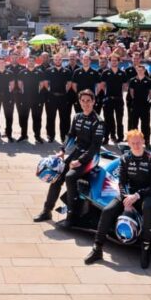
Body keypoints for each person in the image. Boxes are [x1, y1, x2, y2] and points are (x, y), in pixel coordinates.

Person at [84, 129, 151, 268]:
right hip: (128, 194)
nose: (136, 145)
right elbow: (122, 182)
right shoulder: (125, 158)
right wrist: (126, 198)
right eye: (133, 143)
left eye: (138, 142)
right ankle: (97, 248)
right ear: (129, 144)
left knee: (149, 209)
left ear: (143, 141)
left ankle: (145, 249)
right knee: (107, 210)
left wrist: (137, 195)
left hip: (146, 195)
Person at [33, 90, 106, 225]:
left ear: (93, 102)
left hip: (91, 156)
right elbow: (71, 136)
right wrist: (62, 151)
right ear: (79, 102)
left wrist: (80, 161)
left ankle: (72, 216)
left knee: (70, 177)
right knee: (57, 176)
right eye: (83, 101)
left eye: (88, 101)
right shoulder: (77, 117)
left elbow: (95, 147)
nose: (85, 104)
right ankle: (46, 210)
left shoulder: (98, 122)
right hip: (77, 152)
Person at [43, 54, 72, 144]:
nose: (58, 61)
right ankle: (50, 136)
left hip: (63, 97)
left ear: (62, 61)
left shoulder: (67, 71)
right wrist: (50, 92)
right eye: (56, 59)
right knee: (51, 117)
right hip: (51, 97)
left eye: (59, 59)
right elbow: (46, 83)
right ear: (53, 60)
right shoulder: (48, 70)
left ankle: (64, 136)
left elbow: (69, 84)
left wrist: (64, 93)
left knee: (64, 118)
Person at [15, 57, 43, 143]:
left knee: (37, 118)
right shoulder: (22, 72)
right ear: (27, 62)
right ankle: (23, 135)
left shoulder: (39, 72)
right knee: (24, 118)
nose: (31, 62)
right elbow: (20, 85)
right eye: (29, 61)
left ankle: (37, 136)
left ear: (35, 62)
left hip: (36, 99)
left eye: (32, 61)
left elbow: (41, 85)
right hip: (25, 99)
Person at [99, 54, 127, 142]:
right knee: (108, 120)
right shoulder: (105, 73)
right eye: (112, 60)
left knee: (119, 120)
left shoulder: (122, 73)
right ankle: (107, 137)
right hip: (108, 99)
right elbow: (102, 86)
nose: (114, 62)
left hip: (118, 99)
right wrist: (107, 94)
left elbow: (125, 86)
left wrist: (119, 92)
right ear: (110, 62)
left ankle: (120, 137)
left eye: (115, 60)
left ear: (118, 62)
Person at [126, 64, 151, 145]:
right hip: (135, 105)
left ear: (144, 70)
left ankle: (146, 141)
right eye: (138, 70)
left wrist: (146, 101)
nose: (140, 71)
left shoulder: (149, 80)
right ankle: (134, 141)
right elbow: (131, 92)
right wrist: (136, 100)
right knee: (134, 124)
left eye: (141, 70)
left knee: (145, 124)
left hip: (145, 105)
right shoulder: (132, 80)